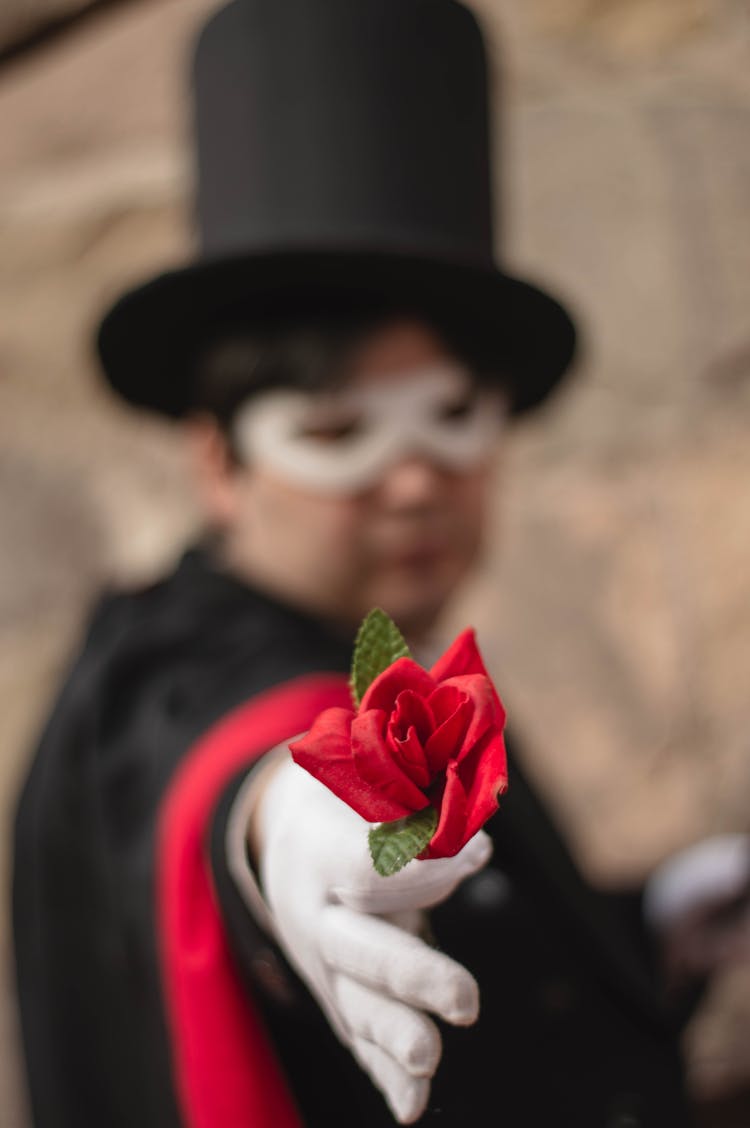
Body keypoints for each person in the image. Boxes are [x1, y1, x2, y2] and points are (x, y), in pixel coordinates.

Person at [12, 1, 750, 1126]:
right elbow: (222, 769)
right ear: (219, 463)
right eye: (336, 433)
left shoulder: (397, 653)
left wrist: (656, 918)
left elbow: (509, 979)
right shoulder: (155, 680)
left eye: (454, 418)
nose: (413, 482)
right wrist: (278, 834)